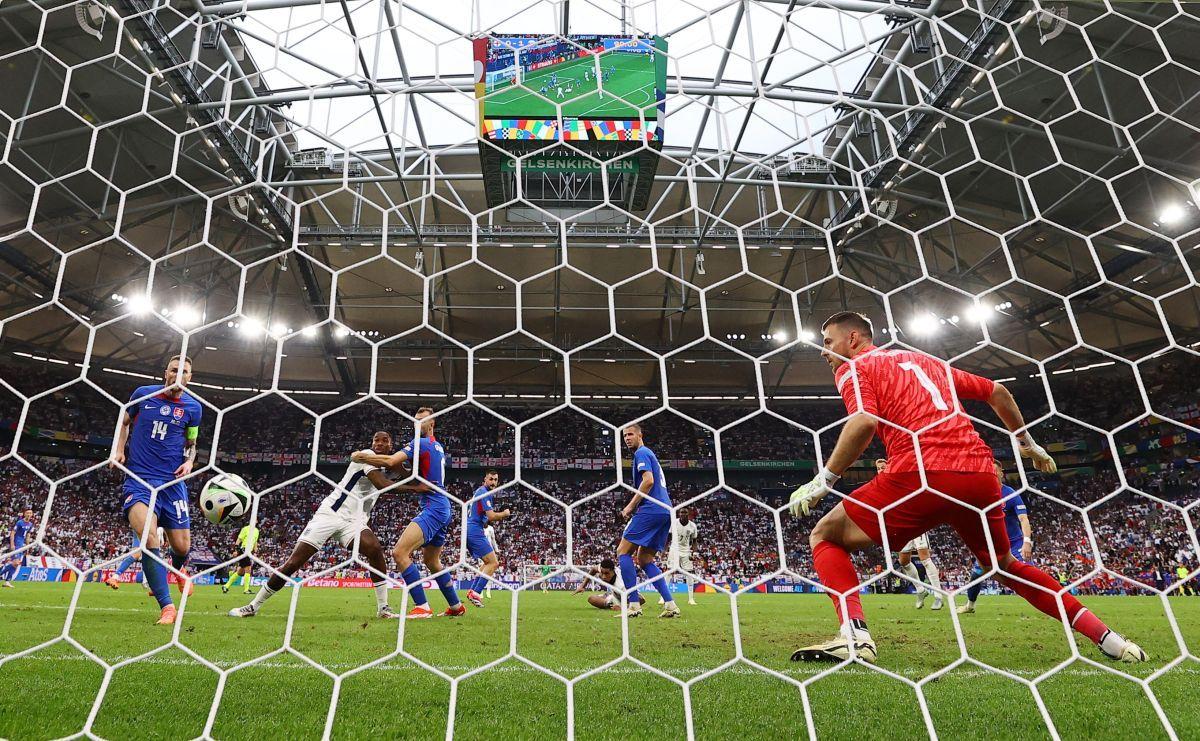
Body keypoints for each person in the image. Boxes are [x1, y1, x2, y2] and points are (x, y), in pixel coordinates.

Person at [787, 312, 1145, 664]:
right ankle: (1111, 640)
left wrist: (825, 480)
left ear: (853, 339)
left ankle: (854, 636)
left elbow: (863, 420)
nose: (823, 351)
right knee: (1004, 564)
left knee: (826, 535)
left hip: (921, 473)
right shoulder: (923, 361)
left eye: (828, 341)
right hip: (979, 475)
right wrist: (1025, 442)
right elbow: (998, 391)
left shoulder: (855, 367)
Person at [230, 431, 401, 618]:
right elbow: (383, 485)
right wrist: (417, 488)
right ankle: (253, 606)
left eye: (385, 441)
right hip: (330, 514)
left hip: (354, 521)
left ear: (391, 446)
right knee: (294, 563)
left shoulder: (385, 466)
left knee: (375, 550)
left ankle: (383, 608)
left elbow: (401, 469)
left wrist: (414, 473)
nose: (379, 443)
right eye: (376, 439)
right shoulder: (367, 456)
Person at [110, 355, 202, 625]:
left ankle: (178, 569)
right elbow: (123, 421)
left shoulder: (193, 408)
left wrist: (189, 460)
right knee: (149, 541)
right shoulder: (143, 394)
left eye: (183, 371)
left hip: (173, 485)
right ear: (165, 373)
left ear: (190, 378)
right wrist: (117, 450)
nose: (178, 375)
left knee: (182, 547)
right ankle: (167, 607)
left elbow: (191, 441)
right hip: (139, 480)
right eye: (174, 370)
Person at [351, 409, 464, 619]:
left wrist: (361, 457)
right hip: (441, 506)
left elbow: (389, 462)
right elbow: (409, 473)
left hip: (434, 507)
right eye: (416, 419)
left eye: (422, 420)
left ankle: (422, 606)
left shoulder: (420, 443)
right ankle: (456, 605)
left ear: (432, 423)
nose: (418, 423)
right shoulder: (435, 446)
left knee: (399, 553)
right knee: (432, 561)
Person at [615, 424, 679, 618]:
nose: (627, 438)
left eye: (630, 434)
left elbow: (649, 481)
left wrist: (630, 506)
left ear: (640, 435)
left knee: (622, 551)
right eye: (624, 436)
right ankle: (670, 605)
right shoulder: (649, 454)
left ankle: (633, 605)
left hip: (651, 508)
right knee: (645, 559)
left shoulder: (641, 453)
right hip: (665, 511)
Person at [959, 461, 1032, 614]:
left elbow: (1024, 519)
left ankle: (1050, 601)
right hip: (992, 544)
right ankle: (970, 605)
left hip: (1014, 543)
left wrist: (1026, 541)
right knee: (977, 575)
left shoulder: (1010, 494)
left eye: (995, 471)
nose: (992, 473)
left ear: (1001, 473)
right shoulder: (981, 493)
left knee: (1029, 573)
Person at [879, 459, 944, 610]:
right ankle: (920, 590)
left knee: (925, 559)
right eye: (878, 468)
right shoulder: (881, 486)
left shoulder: (897, 479)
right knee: (903, 561)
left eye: (883, 467)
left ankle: (938, 596)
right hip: (900, 525)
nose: (880, 470)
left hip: (915, 521)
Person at [464, 470, 512, 607]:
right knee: (494, 563)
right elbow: (491, 516)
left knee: (486, 563)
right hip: (474, 530)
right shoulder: (483, 492)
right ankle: (476, 592)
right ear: (485, 479)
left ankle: (472, 590)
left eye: (496, 480)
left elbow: (485, 517)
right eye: (491, 479)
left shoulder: (482, 492)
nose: (493, 482)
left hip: (471, 529)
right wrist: (504, 514)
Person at [661, 509, 699, 606]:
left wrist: (694, 553)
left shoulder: (692, 526)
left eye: (685, 513)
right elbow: (668, 538)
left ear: (688, 514)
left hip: (686, 550)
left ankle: (691, 599)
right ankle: (663, 597)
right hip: (674, 549)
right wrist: (664, 550)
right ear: (679, 514)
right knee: (670, 571)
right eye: (681, 513)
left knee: (689, 573)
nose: (683, 515)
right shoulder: (674, 523)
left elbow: (694, 541)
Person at [223, 521, 260, 595]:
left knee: (240, 571)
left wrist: (255, 550)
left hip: (249, 552)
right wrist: (235, 550)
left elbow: (255, 541)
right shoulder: (245, 529)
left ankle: (226, 586)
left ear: (256, 521)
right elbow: (239, 539)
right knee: (248, 569)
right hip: (243, 550)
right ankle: (246, 590)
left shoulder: (257, 531)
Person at [1, 508, 34, 588]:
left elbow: (28, 536)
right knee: (15, 563)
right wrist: (12, 545)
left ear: (32, 515)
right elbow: (12, 533)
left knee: (16, 564)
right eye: (27, 513)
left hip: (21, 546)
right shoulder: (20, 522)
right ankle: (5, 579)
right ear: (24, 514)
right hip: (16, 544)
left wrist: (27, 547)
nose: (29, 514)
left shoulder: (30, 524)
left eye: (30, 513)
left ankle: (7, 581)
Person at [484, 524, 498, 598]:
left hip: (490, 551)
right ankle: (480, 592)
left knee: (490, 572)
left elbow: (493, 540)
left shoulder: (490, 528)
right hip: (481, 552)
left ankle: (488, 591)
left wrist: (496, 550)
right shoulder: (478, 527)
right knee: (481, 572)